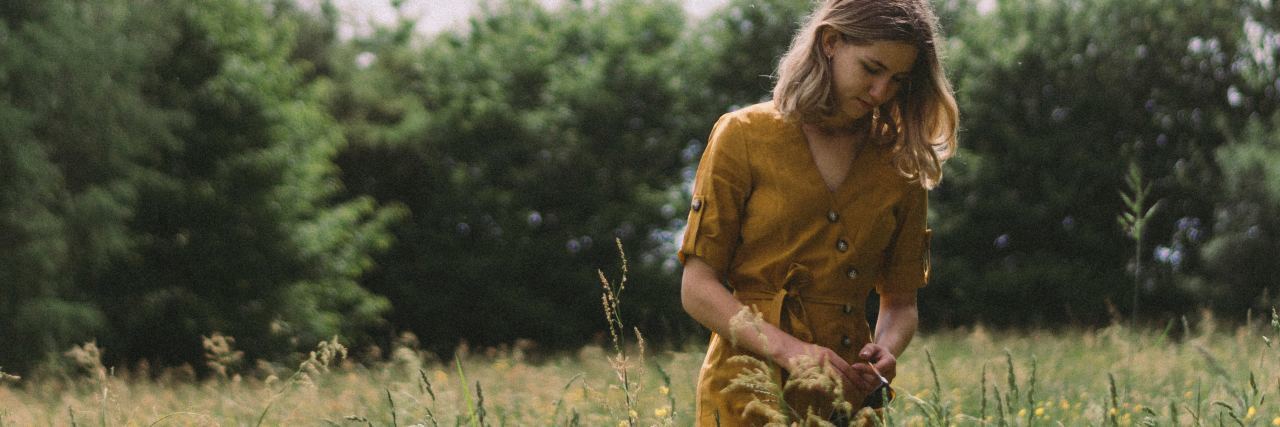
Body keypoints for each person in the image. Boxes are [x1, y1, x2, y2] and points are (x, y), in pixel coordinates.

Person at [678, 0, 959, 424]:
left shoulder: (899, 160)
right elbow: (697, 289)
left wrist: (885, 351)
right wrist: (791, 350)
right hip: (744, 392)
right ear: (830, 42)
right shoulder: (743, 136)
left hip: (847, 400)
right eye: (871, 68)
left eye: (897, 80)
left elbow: (900, 303)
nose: (881, 91)